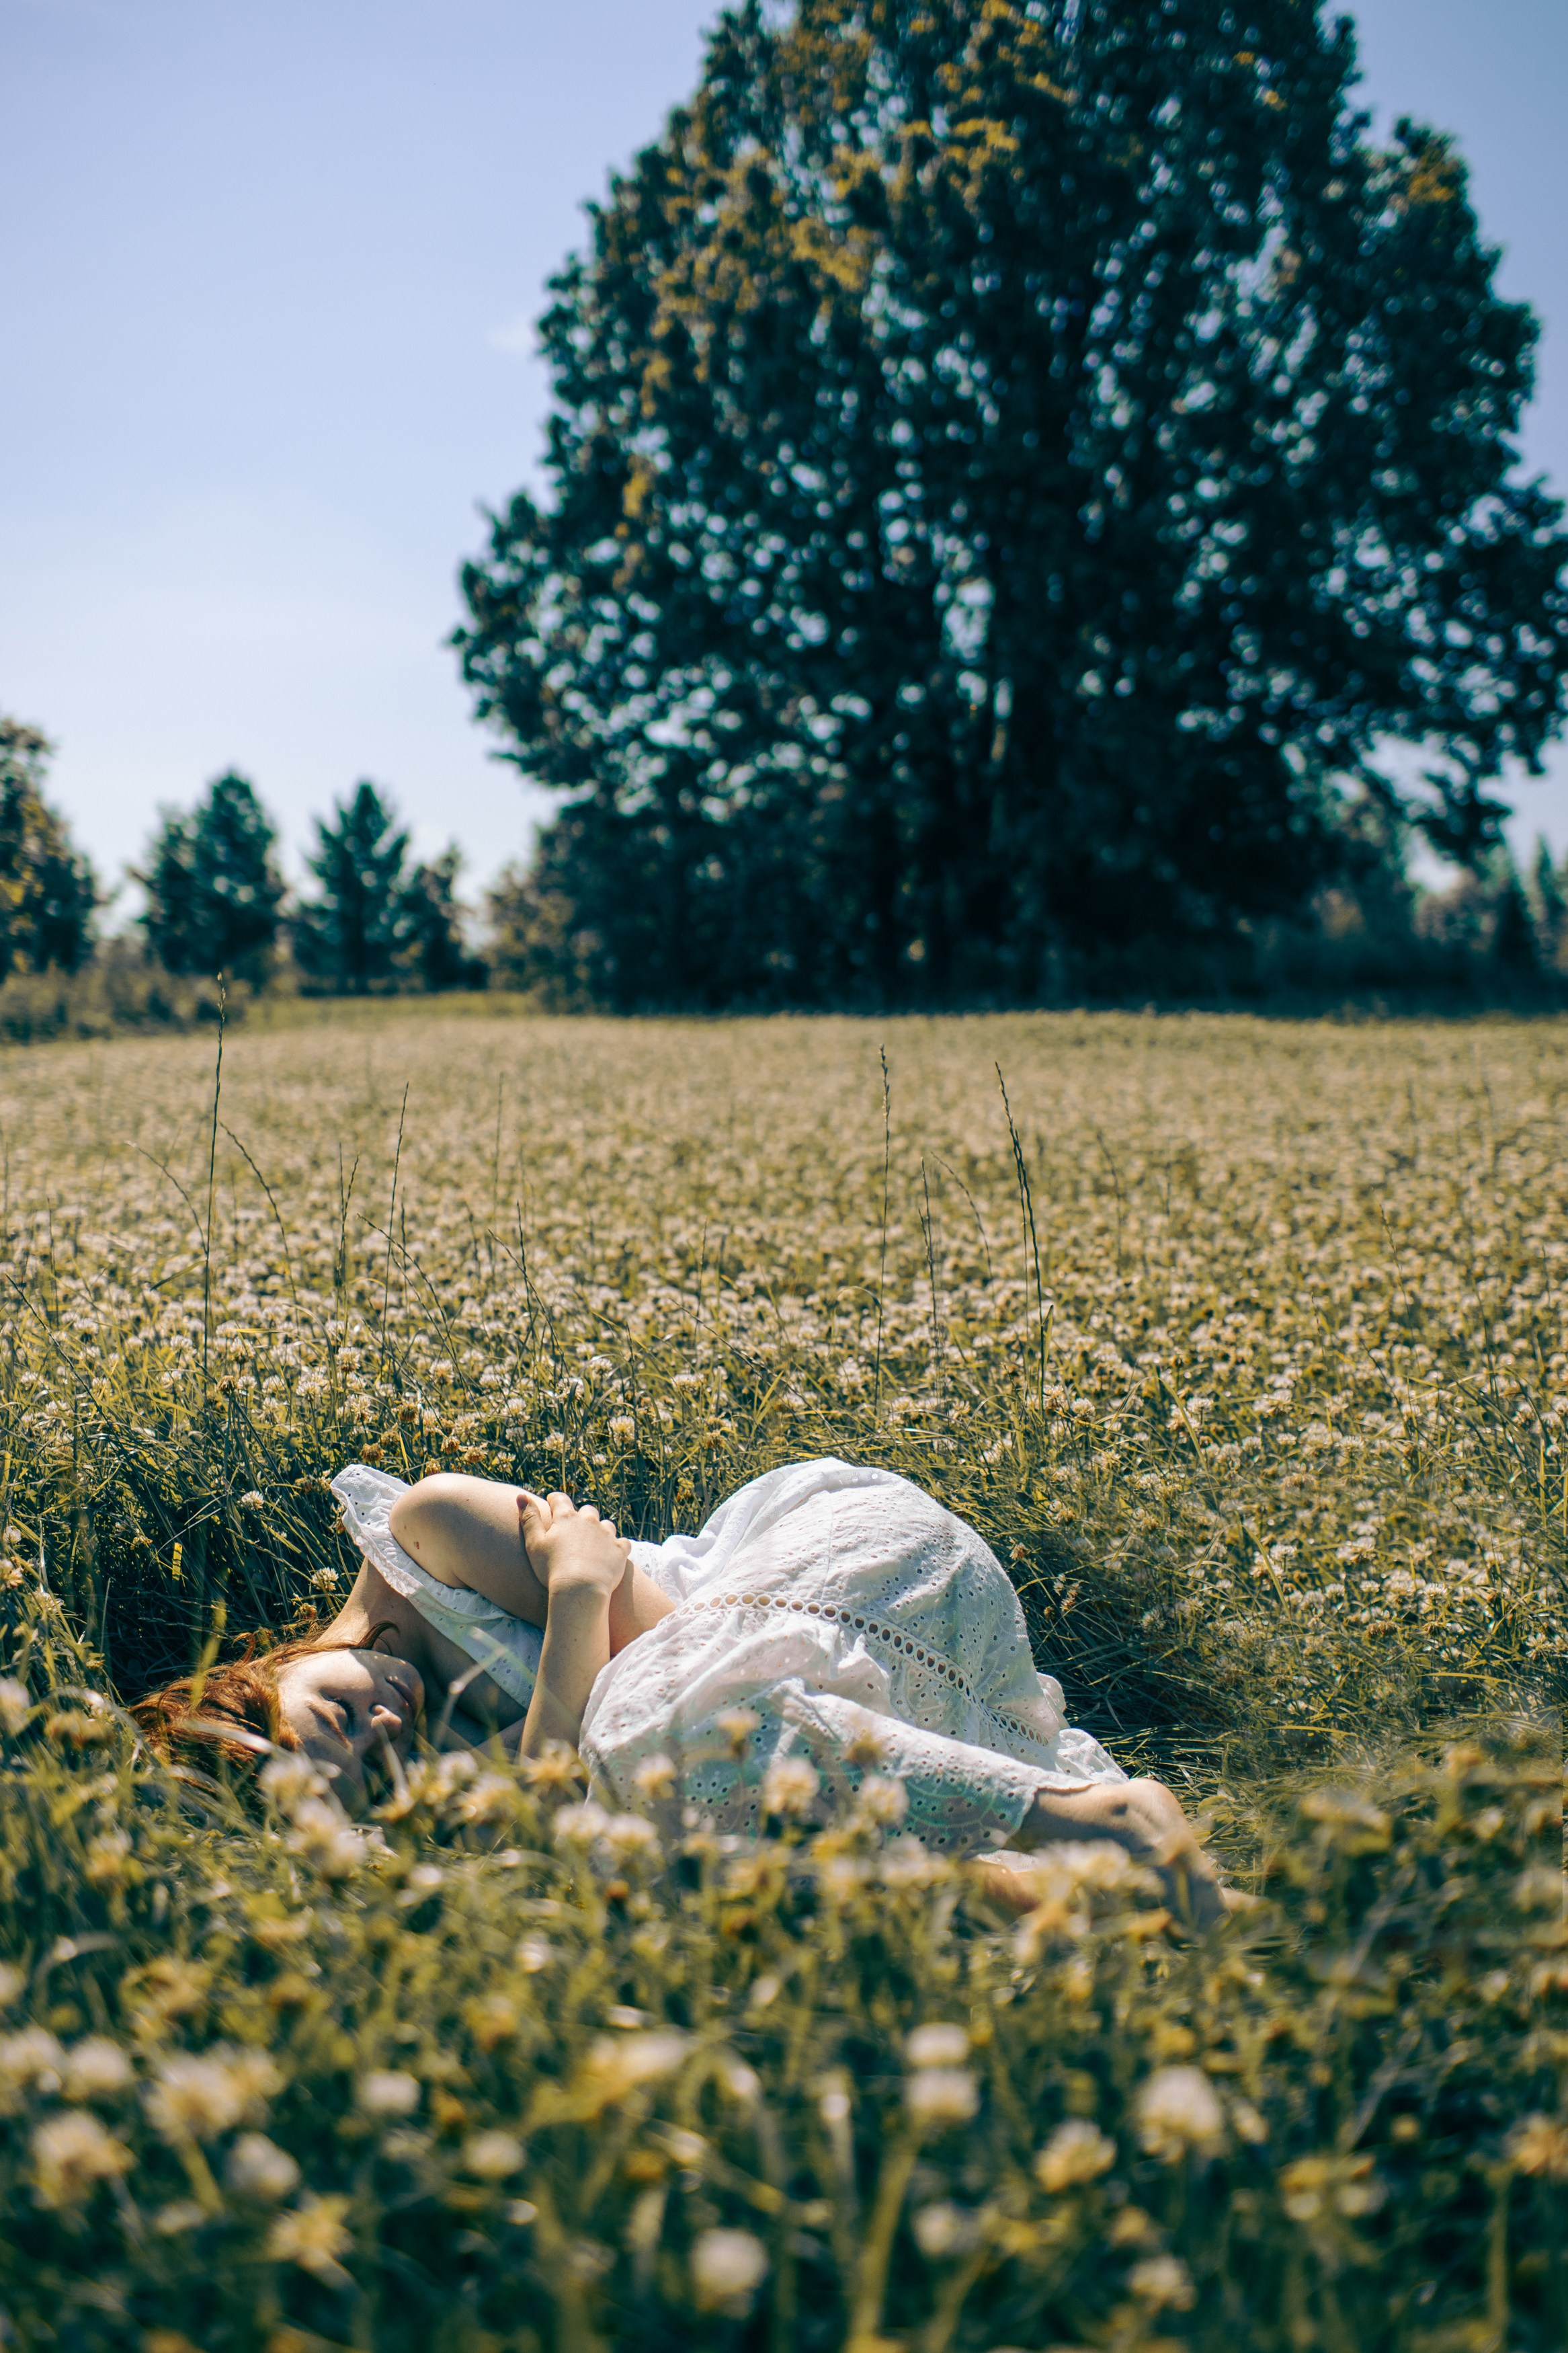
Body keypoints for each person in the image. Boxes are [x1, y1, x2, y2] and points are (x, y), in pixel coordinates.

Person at [134, 1457, 1225, 1925]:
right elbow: (557, 1805)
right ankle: (1030, 1891)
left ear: (252, 1674)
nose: (387, 1722)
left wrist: (569, 1663)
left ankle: (1085, 1824)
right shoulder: (418, 1773)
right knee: (628, 1854)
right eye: (370, 1761)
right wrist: (568, 1606)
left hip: (859, 1582)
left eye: (332, 1712)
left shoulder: (434, 1532)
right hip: (863, 1713)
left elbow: (689, 1652)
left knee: (641, 1744)